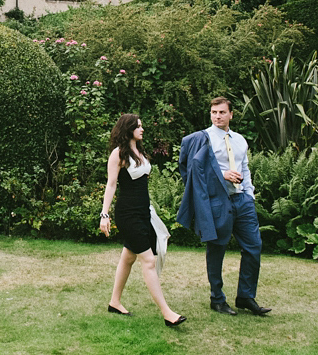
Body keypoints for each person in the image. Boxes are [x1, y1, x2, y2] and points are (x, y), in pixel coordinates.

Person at [176, 97, 271, 316]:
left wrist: (249, 193)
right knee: (217, 249)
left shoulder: (239, 140)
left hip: (242, 201)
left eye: (221, 112)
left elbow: (244, 167)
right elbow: (193, 172)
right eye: (213, 112)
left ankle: (246, 297)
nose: (217, 116)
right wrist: (222, 174)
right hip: (217, 202)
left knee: (253, 247)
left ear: (231, 114)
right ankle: (217, 299)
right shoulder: (203, 139)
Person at [99, 113, 186, 327]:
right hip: (128, 214)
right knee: (148, 260)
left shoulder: (140, 152)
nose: (142, 129)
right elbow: (111, 185)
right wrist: (104, 214)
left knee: (128, 257)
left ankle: (114, 302)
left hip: (143, 212)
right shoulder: (118, 154)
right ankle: (167, 313)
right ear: (128, 129)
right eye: (138, 126)